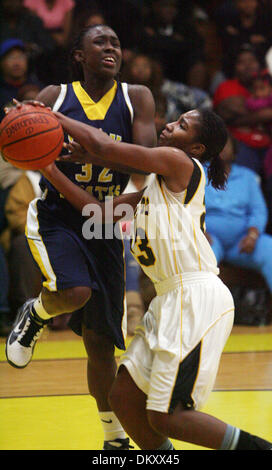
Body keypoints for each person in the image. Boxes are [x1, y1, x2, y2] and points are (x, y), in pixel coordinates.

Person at [8, 106, 272, 450]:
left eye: (182, 126)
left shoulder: (182, 165)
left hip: (196, 297)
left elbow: (107, 148)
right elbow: (96, 213)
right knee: (124, 398)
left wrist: (48, 118)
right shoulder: (153, 191)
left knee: (168, 416)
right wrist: (49, 168)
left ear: (195, 148)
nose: (169, 126)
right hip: (167, 302)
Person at [5, 24, 157, 451]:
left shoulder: (136, 97)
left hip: (106, 222)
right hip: (57, 214)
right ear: (79, 55)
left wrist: (112, 203)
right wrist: (16, 129)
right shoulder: (54, 96)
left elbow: (144, 167)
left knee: (100, 344)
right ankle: (36, 313)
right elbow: (16, 148)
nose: (111, 48)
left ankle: (113, 437)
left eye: (116, 42)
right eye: (100, 43)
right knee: (73, 294)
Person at [205, 136, 272, 324]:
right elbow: (188, 208)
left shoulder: (247, 177)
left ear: (235, 151)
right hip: (209, 238)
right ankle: (202, 318)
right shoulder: (198, 174)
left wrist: (253, 234)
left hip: (242, 241)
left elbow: (258, 210)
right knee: (203, 255)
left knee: (270, 249)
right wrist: (198, 231)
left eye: (226, 145)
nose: (222, 149)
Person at [213, 44, 272, 175]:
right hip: (242, 143)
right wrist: (265, 113)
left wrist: (241, 120)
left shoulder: (267, 84)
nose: (248, 66)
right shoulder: (227, 86)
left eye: (252, 61)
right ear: (234, 67)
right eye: (241, 62)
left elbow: (242, 113)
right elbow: (229, 113)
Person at [0, 38, 42, 120]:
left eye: (20, 57)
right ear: (2, 63)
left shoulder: (38, 87)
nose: (16, 63)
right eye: (11, 58)